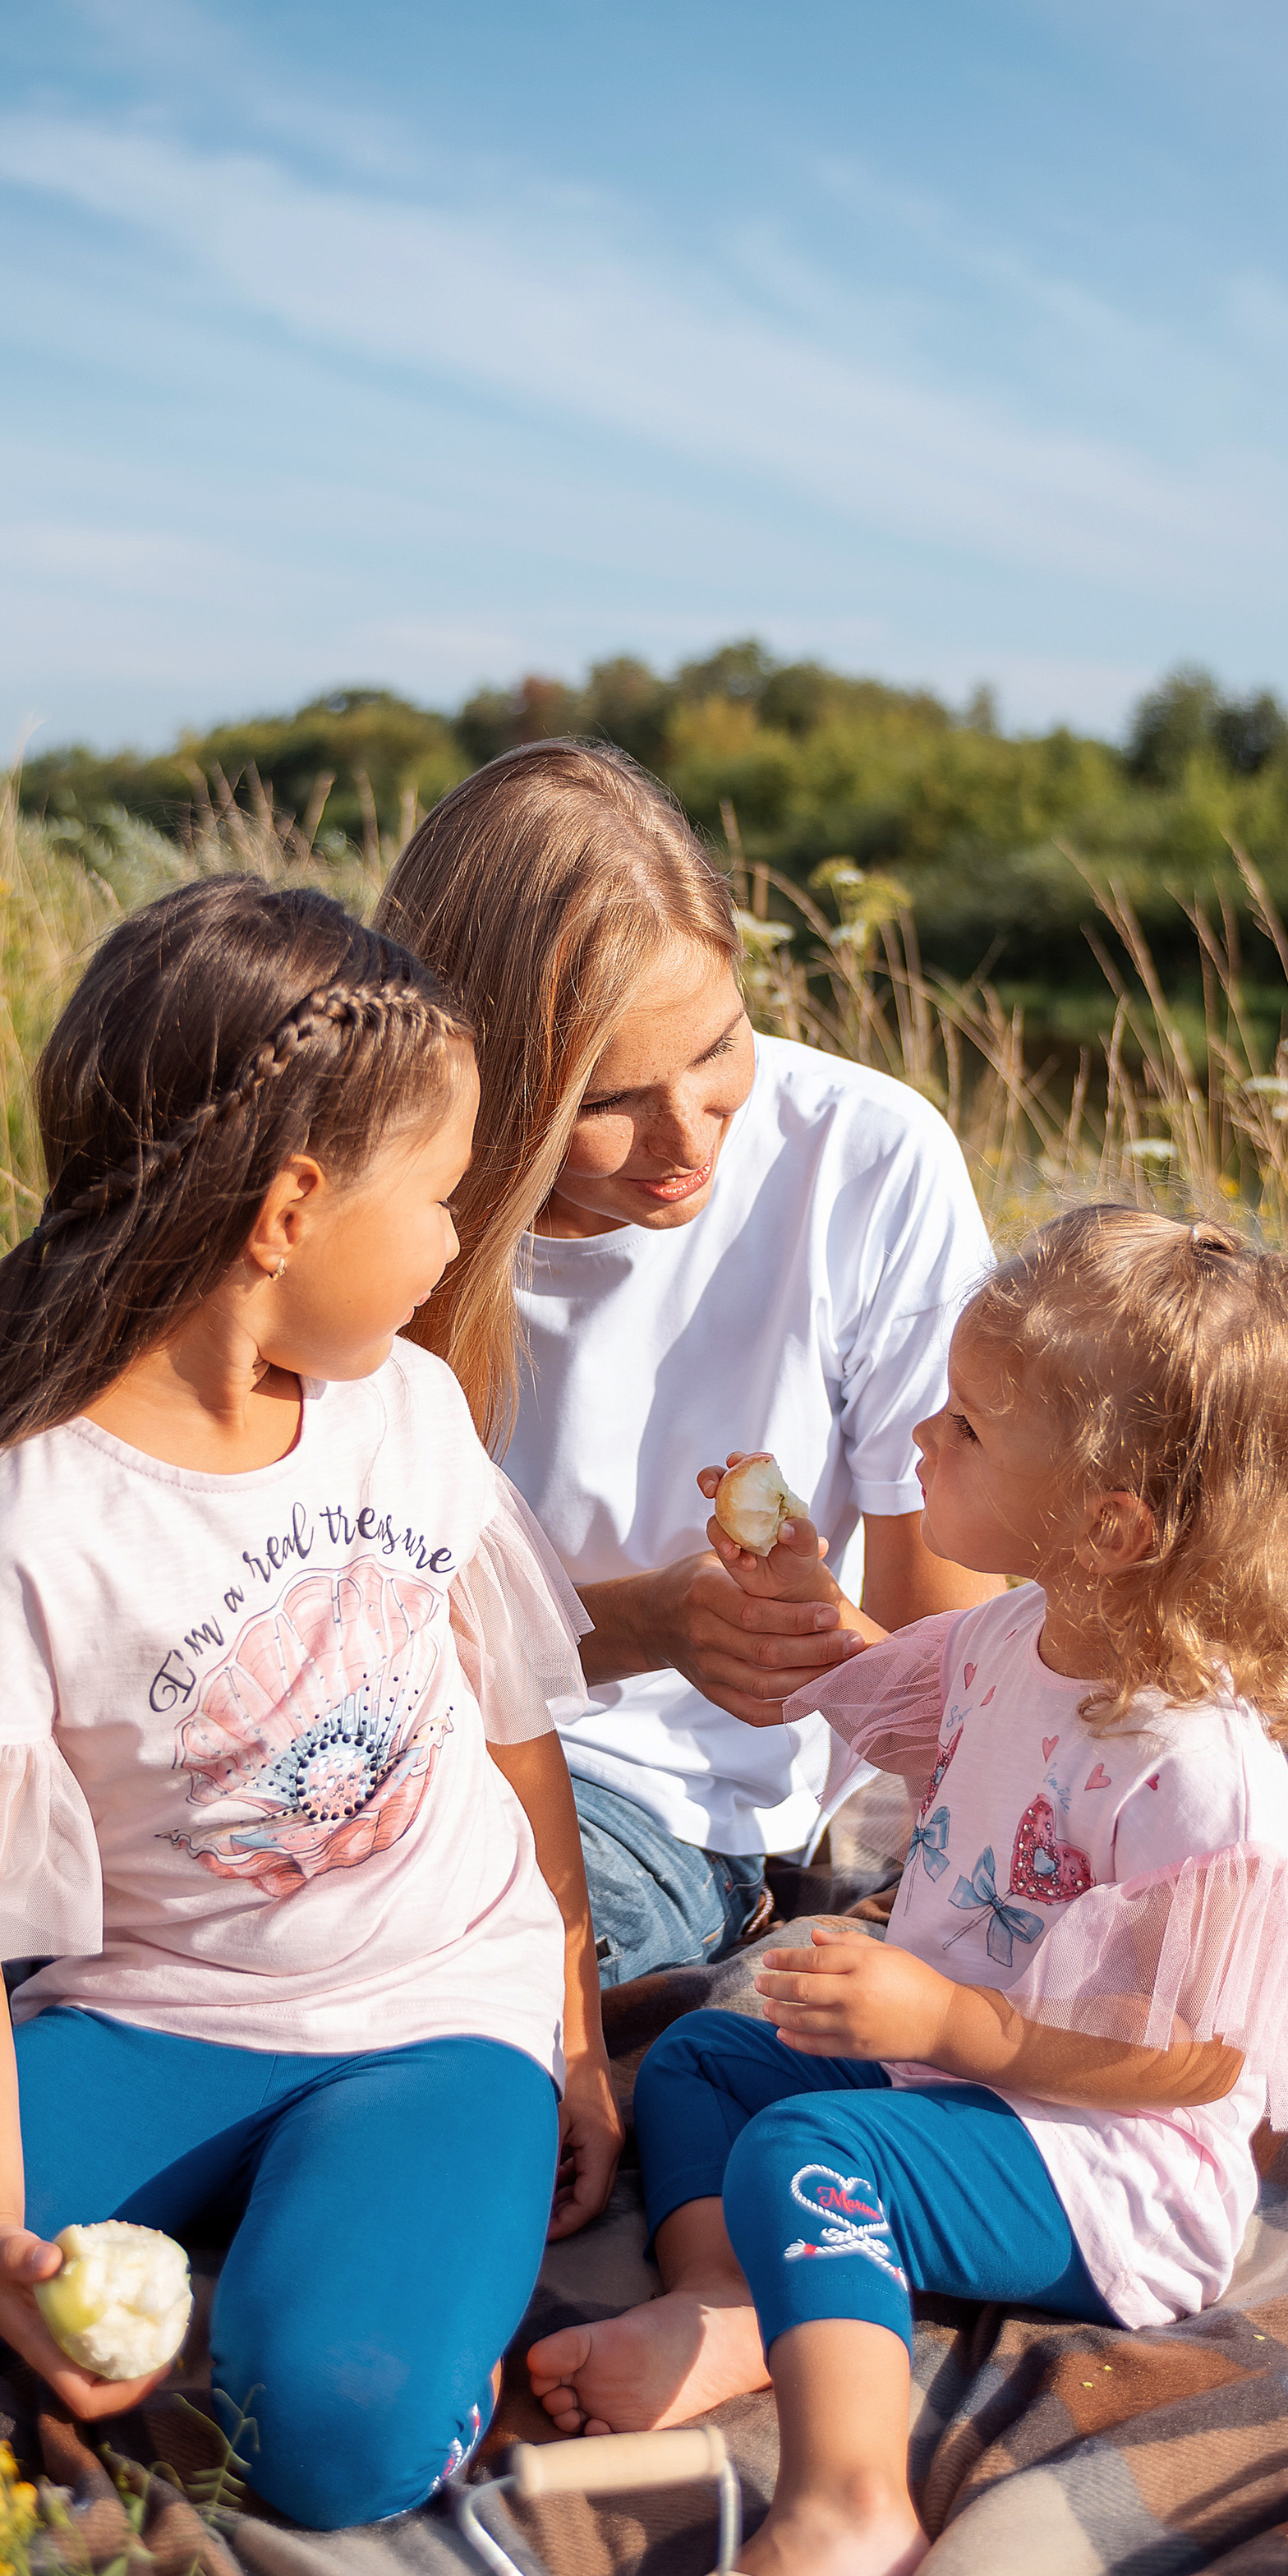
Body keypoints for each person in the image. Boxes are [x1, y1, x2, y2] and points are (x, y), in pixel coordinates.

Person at [0, 880, 621, 2529]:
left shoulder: (411, 1411)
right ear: (293, 1210)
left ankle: (341, 2246)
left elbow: (506, 1717)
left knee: (333, 2434)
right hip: (149, 2015)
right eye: (441, 1198)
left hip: (440, 2015)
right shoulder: (34, 1528)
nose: (463, 1240)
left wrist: (575, 2015)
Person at [527, 1208, 1288, 2576]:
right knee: (703, 2059)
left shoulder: (1194, 1772)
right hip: (951, 2073)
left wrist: (950, 2016)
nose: (923, 1439)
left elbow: (1199, 2064)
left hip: (1107, 2159)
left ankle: (853, 2497)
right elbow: (897, 1698)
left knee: (813, 2146)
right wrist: (802, 1598)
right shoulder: (1012, 1637)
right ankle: (735, 2307)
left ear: (1112, 1517)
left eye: (973, 1428)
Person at [378, 744, 999, 1987]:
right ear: (482, 1083)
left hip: (650, 1810)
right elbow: (322, 1624)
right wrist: (646, 1620)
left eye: (719, 1046)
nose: (685, 1141)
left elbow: (956, 1678)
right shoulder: (382, 1220)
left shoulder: (865, 1164)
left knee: (407, 1973)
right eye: (606, 1100)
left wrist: (807, 1642)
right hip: (366, 1741)